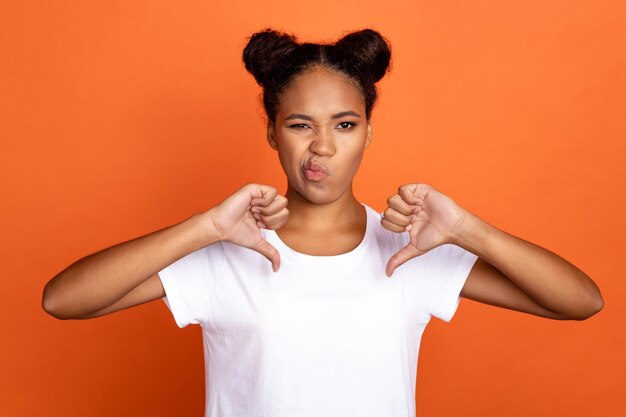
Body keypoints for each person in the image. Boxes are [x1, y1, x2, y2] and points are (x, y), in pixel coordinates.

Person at [42, 28, 603, 417]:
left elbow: (581, 301)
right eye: (300, 124)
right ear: (271, 132)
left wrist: (468, 230)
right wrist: (205, 228)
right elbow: (63, 299)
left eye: (345, 124)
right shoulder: (229, 249)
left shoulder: (408, 250)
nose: (322, 147)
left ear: (368, 133)